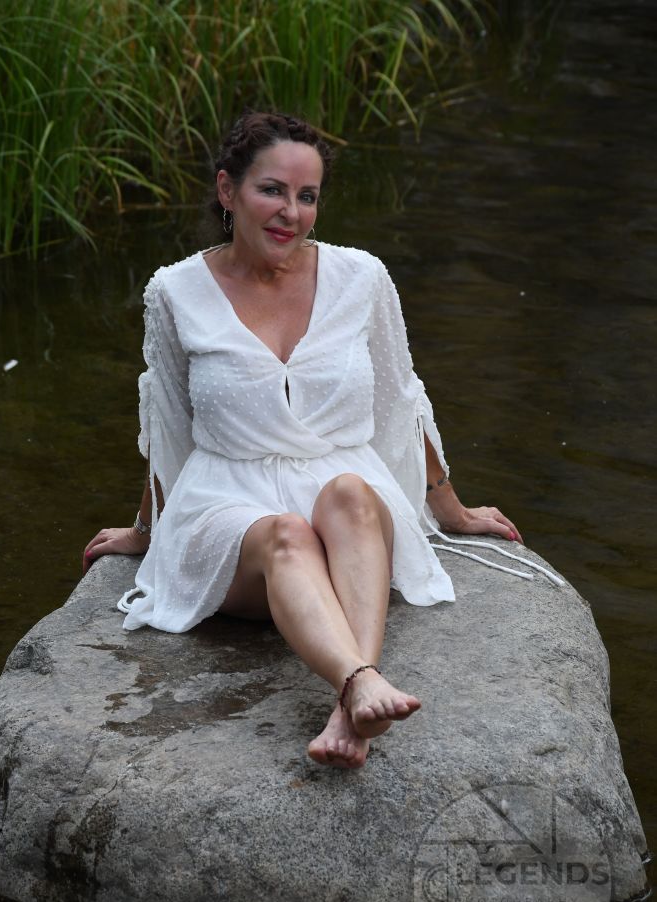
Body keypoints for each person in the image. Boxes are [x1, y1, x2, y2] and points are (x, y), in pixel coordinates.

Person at [83, 110, 522, 770]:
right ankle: (359, 685)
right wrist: (145, 530)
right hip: (229, 504)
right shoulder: (174, 291)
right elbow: (168, 424)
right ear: (227, 190)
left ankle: (354, 695)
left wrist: (450, 509)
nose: (291, 212)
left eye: (307, 196)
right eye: (272, 190)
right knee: (285, 533)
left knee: (351, 493)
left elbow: (399, 400)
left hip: (344, 499)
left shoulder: (361, 276)